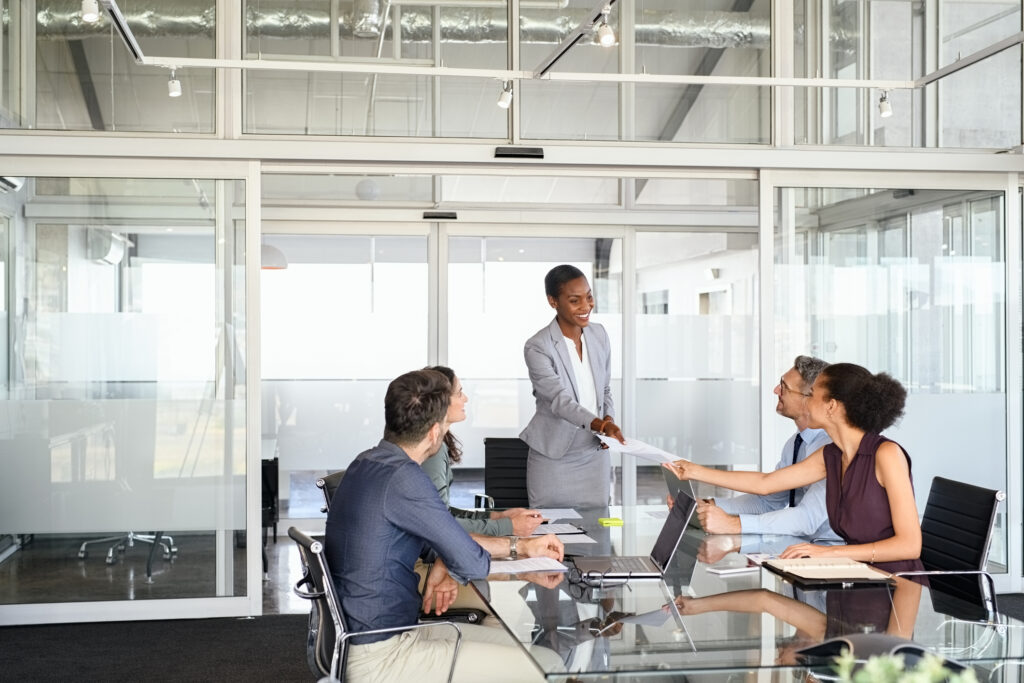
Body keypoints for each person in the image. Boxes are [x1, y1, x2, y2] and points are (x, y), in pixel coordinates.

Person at [325, 369, 564, 683]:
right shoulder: (405, 477)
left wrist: (520, 547)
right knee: (550, 666)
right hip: (384, 656)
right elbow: (468, 560)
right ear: (435, 432)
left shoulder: (366, 462)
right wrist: (514, 551)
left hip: (377, 638)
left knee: (522, 648)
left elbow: (441, 540)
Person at [665, 362, 923, 573]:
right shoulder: (831, 454)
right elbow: (766, 484)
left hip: (895, 583)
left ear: (831, 406)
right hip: (853, 574)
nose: (806, 402)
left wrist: (829, 553)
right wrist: (694, 471)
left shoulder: (886, 454)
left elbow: (910, 546)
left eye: (812, 395)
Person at [696, 355, 839, 541]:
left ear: (809, 398)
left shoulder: (833, 448)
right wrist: (709, 506)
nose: (776, 390)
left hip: (829, 548)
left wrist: (733, 524)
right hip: (800, 544)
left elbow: (806, 518)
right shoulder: (795, 443)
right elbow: (769, 501)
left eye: (784, 387)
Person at [521, 264, 626, 508]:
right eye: (574, 300)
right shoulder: (538, 346)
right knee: (551, 527)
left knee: (597, 525)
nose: (586, 306)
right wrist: (602, 425)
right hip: (554, 457)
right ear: (553, 301)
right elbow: (559, 401)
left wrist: (608, 419)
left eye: (588, 297)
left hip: (594, 453)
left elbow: (604, 390)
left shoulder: (599, 335)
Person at [421, 366, 544, 537]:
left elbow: (442, 513)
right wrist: (507, 527)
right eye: (459, 393)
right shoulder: (432, 450)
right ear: (442, 401)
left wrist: (496, 517)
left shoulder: (436, 443)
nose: (466, 398)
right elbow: (440, 523)